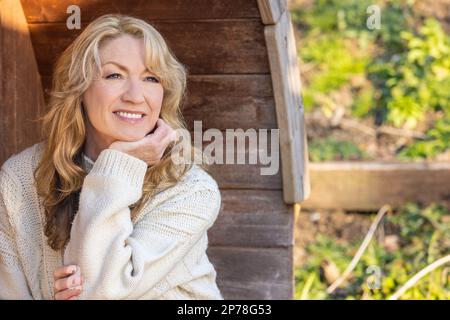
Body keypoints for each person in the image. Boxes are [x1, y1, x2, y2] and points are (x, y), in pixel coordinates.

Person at [0, 14, 222, 300]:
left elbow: (98, 291)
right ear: (79, 88)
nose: (134, 95)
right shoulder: (18, 181)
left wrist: (119, 163)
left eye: (151, 78)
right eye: (114, 75)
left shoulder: (191, 190)